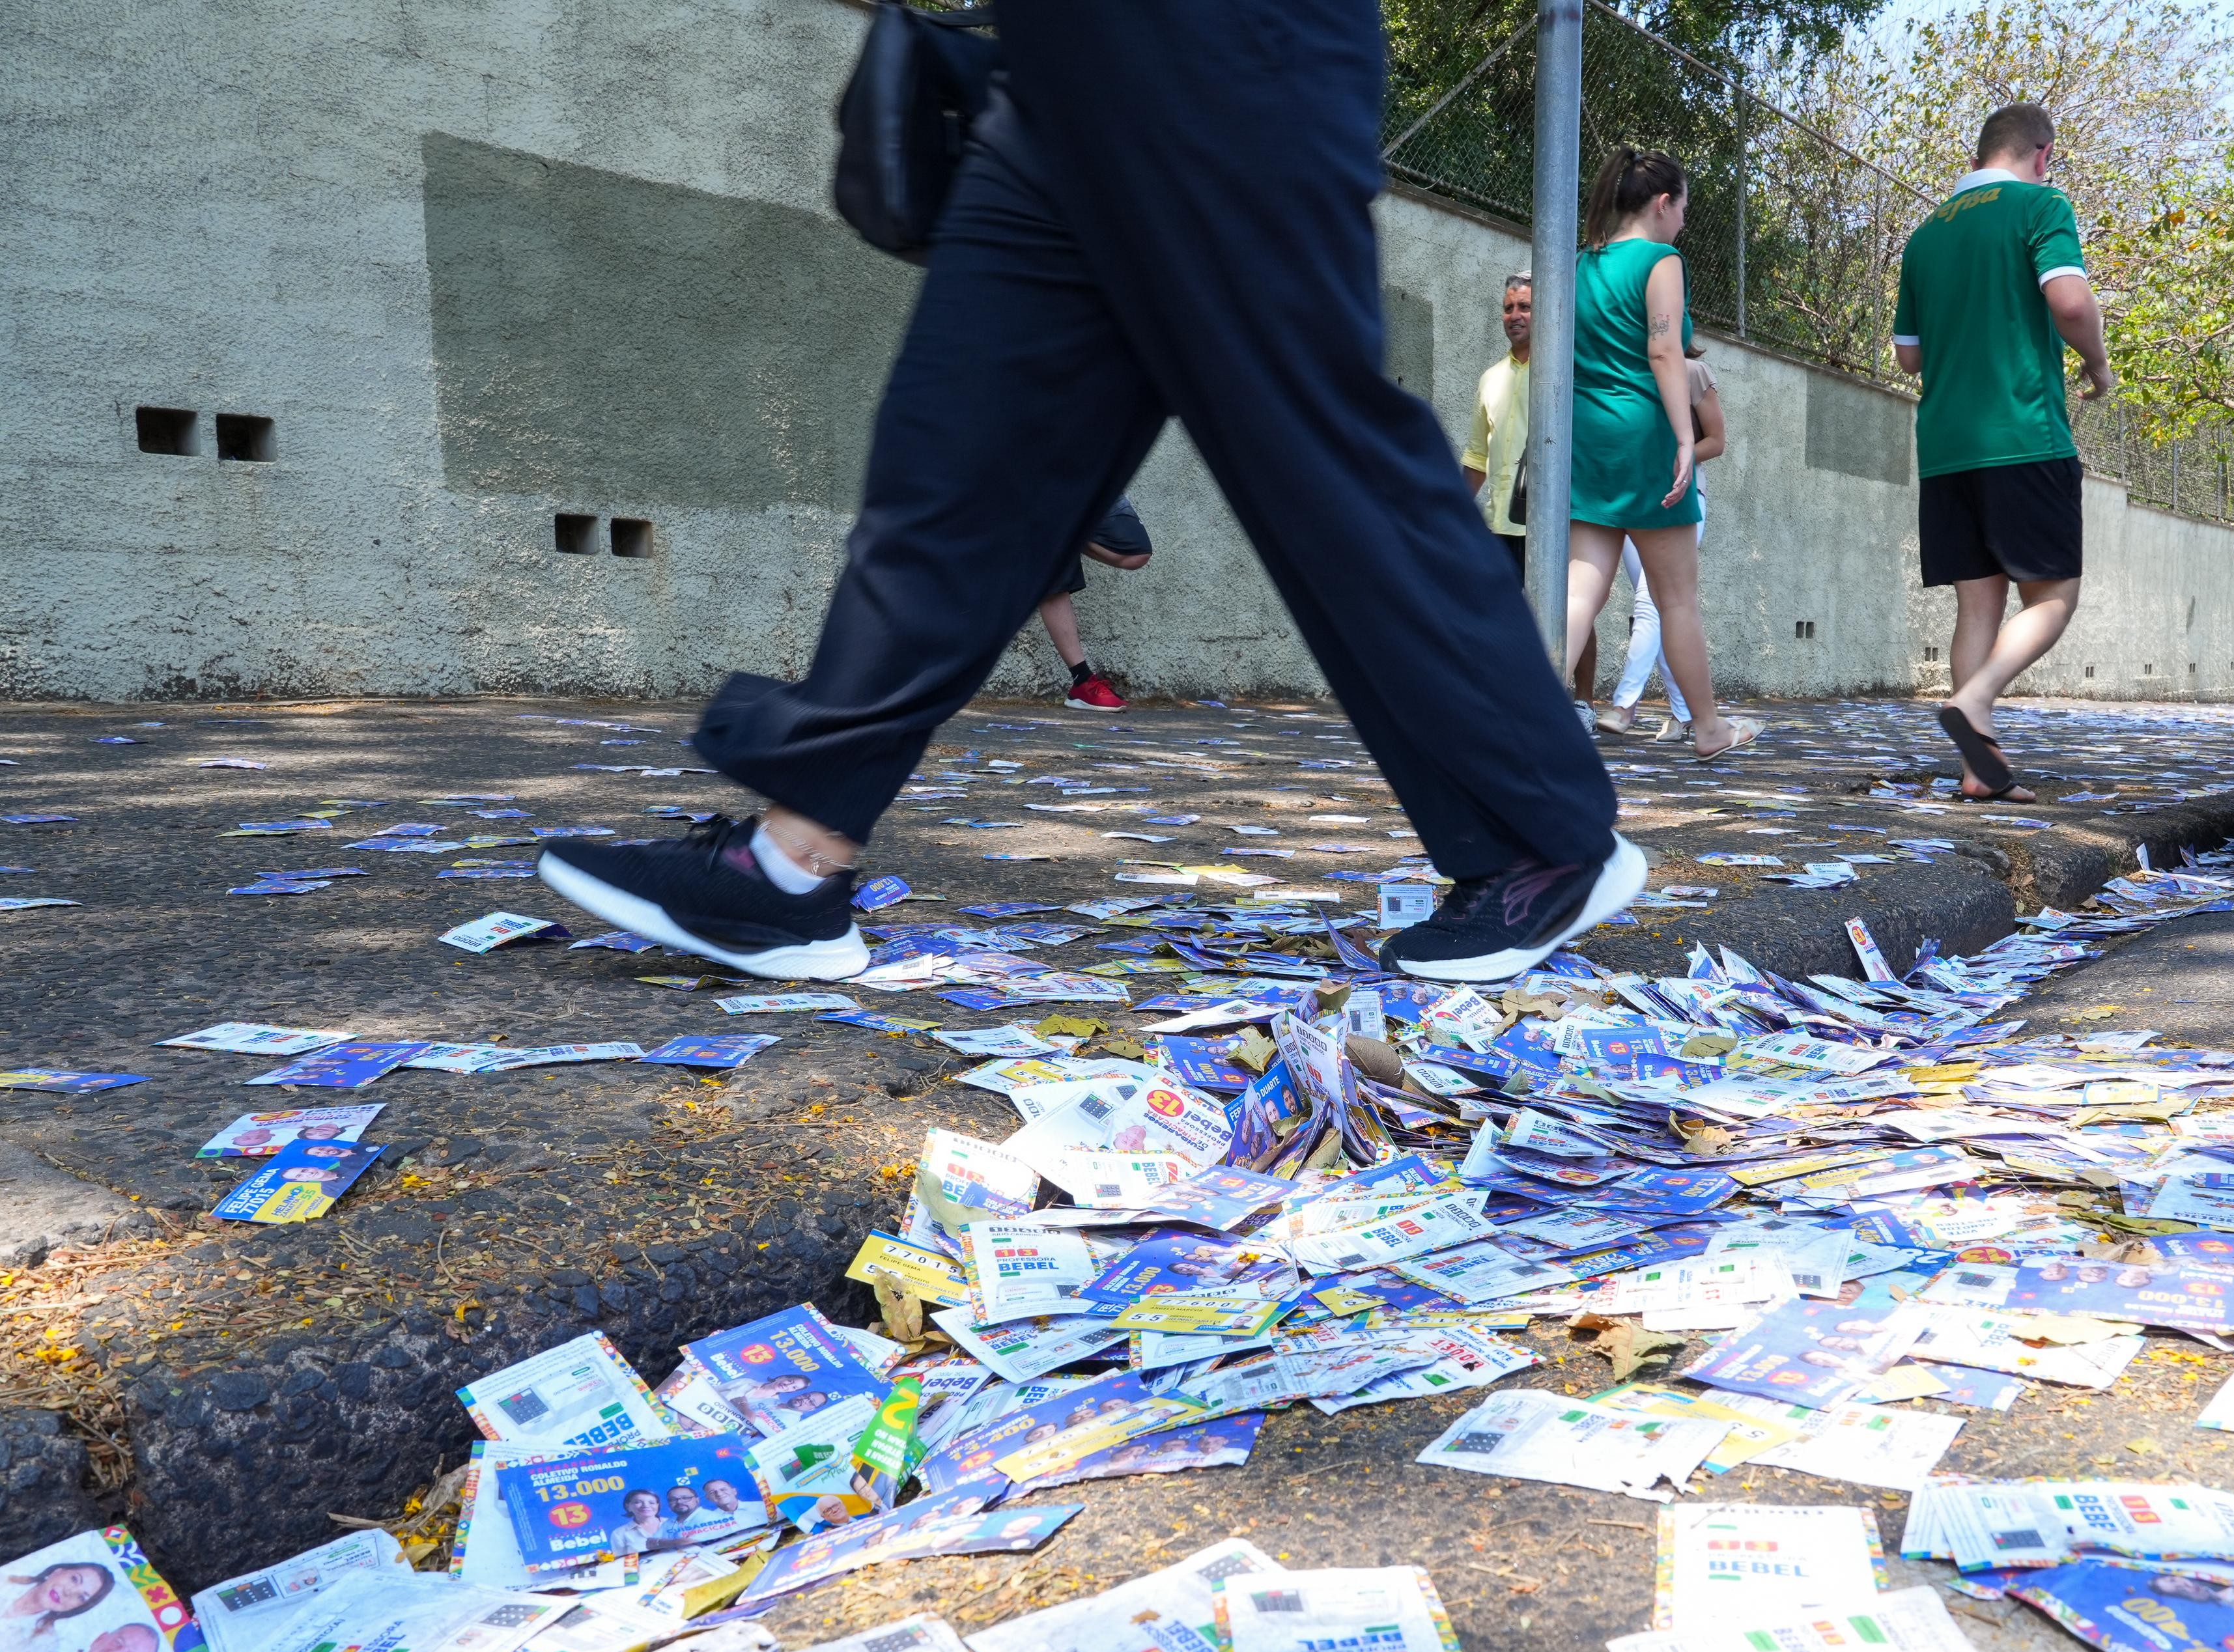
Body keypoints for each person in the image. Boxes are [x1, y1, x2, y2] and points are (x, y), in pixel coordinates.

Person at [536, 3, 1641, 987]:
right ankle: (794, 860)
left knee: (1315, 453)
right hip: (1055, 83)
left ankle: (1541, 835)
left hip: (1222, 50)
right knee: (957, 461)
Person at [1892, 102, 2114, 803]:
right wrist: (2098, 365)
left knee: (1976, 608)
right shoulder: (2041, 206)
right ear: (2041, 153)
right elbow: (2070, 303)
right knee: (2052, 596)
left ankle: (1977, 770)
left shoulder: (1926, 235)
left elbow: (1906, 355)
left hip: (1946, 445)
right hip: (2022, 432)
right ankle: (1976, 696)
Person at [1559, 147, 1757, 761]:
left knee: (1578, 590)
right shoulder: (1661, 260)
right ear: (1662, 203)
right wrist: (1681, 438)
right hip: (1644, 436)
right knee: (1675, 599)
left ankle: (1527, 712)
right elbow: (1666, 351)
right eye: (1683, 209)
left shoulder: (1579, 264)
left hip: (1587, 439)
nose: (1684, 224)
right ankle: (1707, 728)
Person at [1598, 348, 1725, 739]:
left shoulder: (1692, 372)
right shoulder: (1624, 373)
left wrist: (1674, 455)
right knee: (1661, 607)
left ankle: (1623, 706)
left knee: (1650, 602)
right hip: (1633, 503)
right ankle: (1687, 715)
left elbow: (1717, 441)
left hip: (1681, 502)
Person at [1036, 496, 1148, 712]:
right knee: (1053, 560)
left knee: (1136, 551)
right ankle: (1082, 681)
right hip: (1037, 481)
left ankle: (1063, 530)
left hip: (1086, 475)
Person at [1460, 272, 1532, 577]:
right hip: (1499, 524)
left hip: (1552, 526)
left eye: (1525, 307)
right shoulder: (1490, 378)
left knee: (1566, 620)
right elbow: (1478, 457)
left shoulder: (1568, 375)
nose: (1514, 316)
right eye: (1508, 308)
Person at [0, 1561, 110, 1645]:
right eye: (74, 1579)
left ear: (78, 1608)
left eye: (81, 1597)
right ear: (57, 1572)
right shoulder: (5, 1576)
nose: (69, 1592)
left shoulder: (43, 1643)